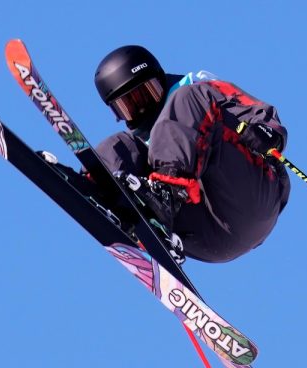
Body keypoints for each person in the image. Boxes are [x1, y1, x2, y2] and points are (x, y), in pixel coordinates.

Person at [93, 45, 291, 263]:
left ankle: (166, 193)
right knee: (116, 147)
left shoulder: (194, 90)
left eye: (147, 93)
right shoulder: (143, 139)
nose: (141, 109)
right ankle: (109, 199)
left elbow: (254, 110)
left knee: (184, 100)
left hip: (248, 200)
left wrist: (267, 131)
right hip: (204, 236)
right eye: (128, 105)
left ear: (161, 79)